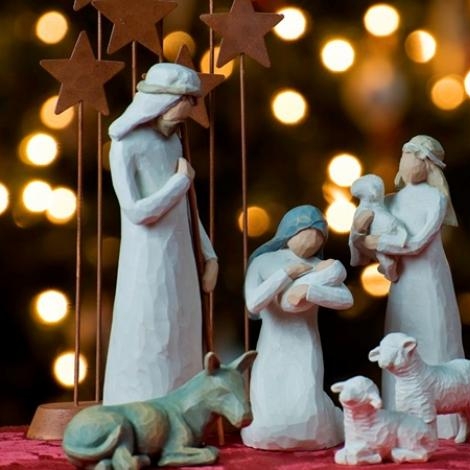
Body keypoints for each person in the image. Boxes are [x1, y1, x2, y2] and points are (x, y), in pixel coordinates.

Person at [103, 63, 218, 405]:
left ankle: (183, 407)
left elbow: (188, 210)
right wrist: (179, 182)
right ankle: (142, 406)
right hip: (147, 260)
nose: (192, 108)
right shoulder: (125, 145)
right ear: (163, 100)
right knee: (150, 328)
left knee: (182, 328)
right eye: (187, 100)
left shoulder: (174, 143)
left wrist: (208, 254)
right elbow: (137, 211)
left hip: (182, 259)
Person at [350, 135, 464, 439]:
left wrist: (378, 241)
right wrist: (359, 235)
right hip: (402, 285)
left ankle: (445, 420)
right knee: (400, 339)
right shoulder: (390, 200)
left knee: (435, 339)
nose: (405, 163)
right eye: (403, 157)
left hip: (430, 282)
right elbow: (362, 248)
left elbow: (416, 243)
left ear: (428, 165)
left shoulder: (435, 199)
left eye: (412, 157)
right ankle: (402, 416)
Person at [241, 205, 353, 450]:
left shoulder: (321, 266)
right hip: (273, 344)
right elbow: (254, 303)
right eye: (307, 233)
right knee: (270, 397)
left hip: (305, 343)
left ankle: (315, 431)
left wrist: (310, 290)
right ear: (290, 232)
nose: (312, 241)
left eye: (319, 237)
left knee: (305, 397)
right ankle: (268, 432)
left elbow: (346, 299)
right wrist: (285, 274)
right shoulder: (264, 261)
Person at [349, 173, 408, 282]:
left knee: (376, 248)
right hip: (386, 227)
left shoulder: (367, 209)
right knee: (381, 252)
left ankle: (390, 270)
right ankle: (389, 269)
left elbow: (357, 235)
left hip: (384, 229)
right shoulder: (371, 207)